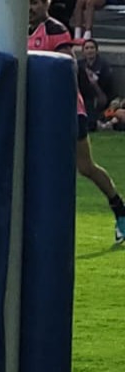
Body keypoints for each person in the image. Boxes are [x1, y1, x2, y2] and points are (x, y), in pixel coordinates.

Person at [29, 0, 125, 243]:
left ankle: (120, 209)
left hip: (66, 109)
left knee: (85, 167)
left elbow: (64, 67)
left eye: (35, 3)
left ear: (46, 5)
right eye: (27, 3)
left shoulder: (55, 30)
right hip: (38, 109)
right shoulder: (19, 32)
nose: (31, 8)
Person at [77, 37, 113, 131]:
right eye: (87, 48)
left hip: (98, 97)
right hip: (82, 96)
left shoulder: (104, 66)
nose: (89, 50)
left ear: (97, 50)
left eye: (92, 48)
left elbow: (105, 95)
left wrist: (94, 83)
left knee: (90, 124)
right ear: (83, 51)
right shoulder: (79, 65)